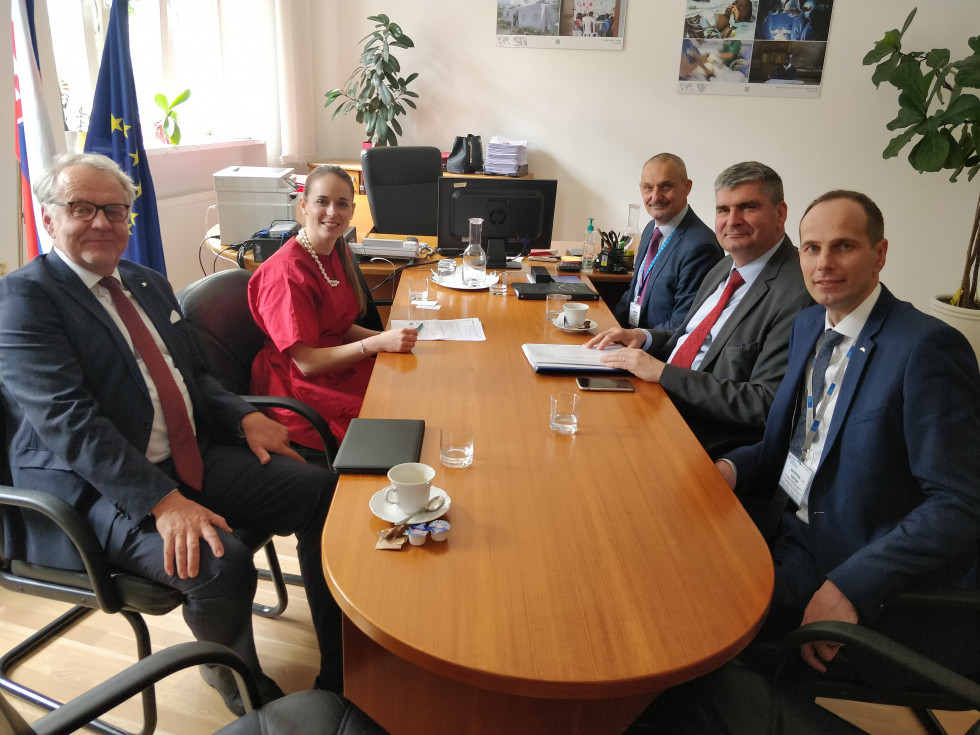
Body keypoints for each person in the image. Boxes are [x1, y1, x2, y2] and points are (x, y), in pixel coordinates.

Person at [0, 153, 344, 715]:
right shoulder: (23, 300)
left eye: (115, 210)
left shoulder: (146, 281)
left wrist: (240, 415)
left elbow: (194, 377)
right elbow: (68, 423)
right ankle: (232, 677)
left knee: (323, 492)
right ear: (47, 216)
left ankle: (341, 660)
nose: (102, 223)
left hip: (188, 456)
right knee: (219, 560)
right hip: (94, 492)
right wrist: (161, 501)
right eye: (81, 208)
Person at [628, 190, 980, 734]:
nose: (824, 264)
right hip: (778, 524)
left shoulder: (926, 348)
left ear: (880, 254)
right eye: (812, 248)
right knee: (641, 557)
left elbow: (959, 502)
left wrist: (853, 583)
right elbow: (790, 447)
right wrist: (727, 471)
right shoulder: (810, 326)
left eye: (844, 247)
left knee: (676, 638)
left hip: (838, 560)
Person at [587, 161, 813, 456]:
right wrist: (644, 337)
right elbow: (688, 337)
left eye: (748, 207)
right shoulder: (724, 266)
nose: (732, 220)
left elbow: (764, 404)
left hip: (700, 436)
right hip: (658, 401)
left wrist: (663, 373)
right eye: (723, 210)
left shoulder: (798, 291)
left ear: (780, 213)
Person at [248, 165, 417, 449]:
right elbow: (307, 363)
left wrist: (388, 339)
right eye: (321, 202)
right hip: (300, 389)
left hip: (337, 368)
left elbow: (337, 326)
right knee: (399, 421)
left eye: (341, 204)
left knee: (417, 393)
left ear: (352, 210)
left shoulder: (334, 251)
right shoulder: (285, 273)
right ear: (303, 206)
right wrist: (377, 343)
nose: (332, 212)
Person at [613, 153, 724, 332]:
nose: (656, 197)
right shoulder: (651, 229)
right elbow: (634, 292)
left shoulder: (701, 247)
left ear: (687, 187)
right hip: (630, 339)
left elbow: (683, 324)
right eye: (648, 188)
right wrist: (609, 326)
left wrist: (636, 341)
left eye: (666, 186)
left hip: (656, 352)